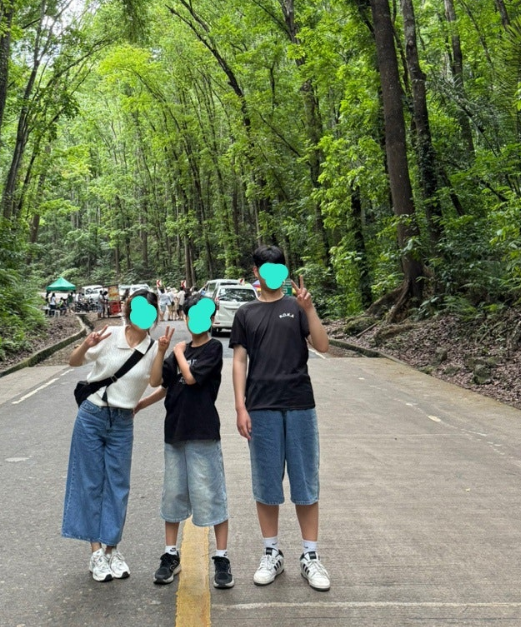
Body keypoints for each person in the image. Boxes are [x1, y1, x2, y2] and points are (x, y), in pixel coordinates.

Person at [229, 245, 331, 591]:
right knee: (267, 482)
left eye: (278, 267)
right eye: (266, 268)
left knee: (305, 481)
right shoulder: (245, 313)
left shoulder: (297, 306)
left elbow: (322, 345)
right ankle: (271, 552)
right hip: (261, 407)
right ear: (256, 271)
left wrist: (310, 308)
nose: (272, 273)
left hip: (300, 403)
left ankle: (311, 556)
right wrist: (240, 407)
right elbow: (239, 361)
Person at [61, 289, 172, 583]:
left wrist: (160, 351)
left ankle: (112, 549)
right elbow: (74, 363)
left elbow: (156, 381)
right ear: (127, 312)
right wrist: (86, 344)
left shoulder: (152, 347)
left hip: (123, 420)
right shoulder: (110, 335)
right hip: (93, 415)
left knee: (118, 486)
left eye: (150, 312)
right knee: (90, 482)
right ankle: (96, 553)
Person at [136, 293, 234, 589]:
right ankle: (170, 554)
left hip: (203, 432)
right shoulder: (177, 350)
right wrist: (161, 351)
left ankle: (221, 557)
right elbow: (158, 383)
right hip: (175, 432)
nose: (197, 322)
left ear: (212, 319)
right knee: (174, 492)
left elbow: (190, 379)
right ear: (185, 318)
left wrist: (177, 352)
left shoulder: (213, 349)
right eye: (192, 316)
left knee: (211, 492)